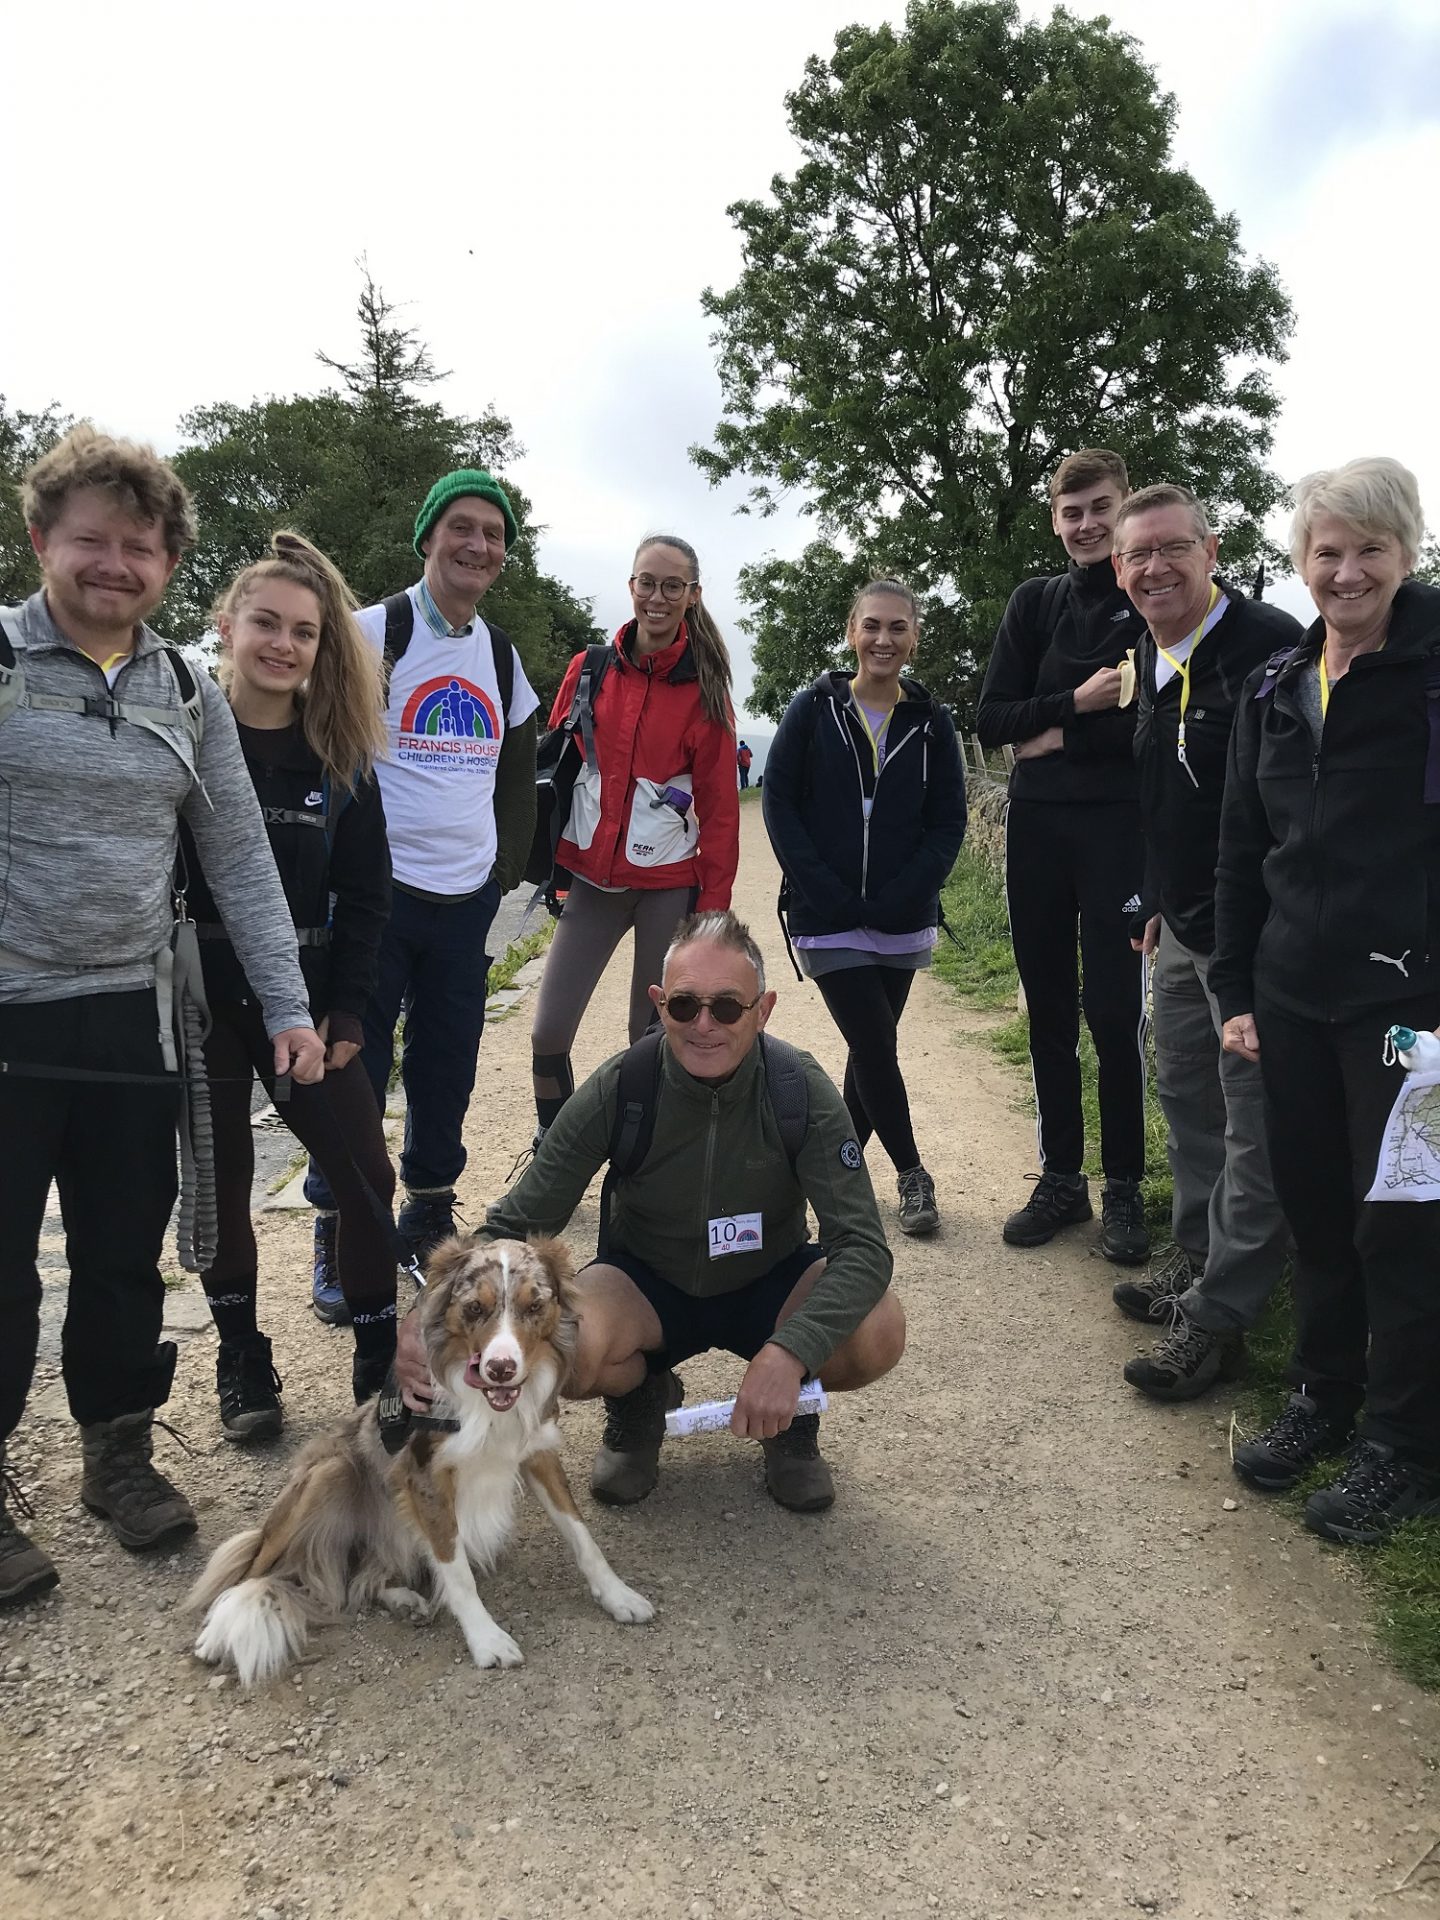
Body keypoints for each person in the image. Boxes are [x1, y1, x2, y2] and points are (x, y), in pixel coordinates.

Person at [0, 427, 323, 1607]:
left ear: (168, 564)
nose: (114, 565)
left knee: (123, 1252)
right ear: (42, 540)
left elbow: (238, 857)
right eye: (90, 539)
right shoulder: (3, 661)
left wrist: (287, 1012)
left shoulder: (185, 690)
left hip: (133, 1017)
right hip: (7, 1019)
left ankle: (117, 1457)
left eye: (139, 547)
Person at [399, 911, 904, 1513]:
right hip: (646, 1288)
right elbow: (516, 1225)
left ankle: (790, 1417)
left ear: (763, 1010)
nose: (705, 1025)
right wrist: (428, 1313)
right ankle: (639, 1403)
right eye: (686, 1007)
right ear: (660, 1004)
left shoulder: (799, 1088)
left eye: (728, 1007)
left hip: (769, 1284)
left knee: (878, 1326)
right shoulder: (624, 1084)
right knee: (565, 1344)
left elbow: (863, 1246)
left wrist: (791, 1351)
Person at [1212, 457, 1440, 1542]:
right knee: (1314, 1208)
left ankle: (1403, 1443)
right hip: (1292, 998)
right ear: (1300, 562)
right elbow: (1242, 846)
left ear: (1408, 553)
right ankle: (1324, 1394)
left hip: (1414, 1013)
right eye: (1326, 553)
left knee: (1402, 1222)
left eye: (1369, 551)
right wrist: (1236, 984)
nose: (1346, 573)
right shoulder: (1274, 687)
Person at [304, 470, 540, 1306]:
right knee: (351, 1070)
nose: (478, 545)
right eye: (462, 528)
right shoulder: (370, 634)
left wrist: (501, 872)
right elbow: (320, 750)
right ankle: (337, 1233)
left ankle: (429, 1223)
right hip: (378, 898)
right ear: (428, 538)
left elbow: (519, 770)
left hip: (463, 898)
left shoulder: (501, 655)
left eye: (493, 534)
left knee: (448, 1065)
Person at [183, 533, 397, 1441]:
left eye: (303, 632)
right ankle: (242, 1356)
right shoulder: (184, 737)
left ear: (320, 647)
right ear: (225, 626)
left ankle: (382, 1364)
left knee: (366, 1179)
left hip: (306, 1007)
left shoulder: (338, 756)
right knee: (224, 1189)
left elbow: (369, 895)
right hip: (199, 998)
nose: (282, 644)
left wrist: (346, 1007)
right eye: (264, 623)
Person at [1106, 487, 1300, 1399]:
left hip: (1255, 930)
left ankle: (1221, 1317)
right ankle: (1197, 1250)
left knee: (1251, 1118)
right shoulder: (1143, 653)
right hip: (1180, 923)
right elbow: (1158, 788)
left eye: (1173, 549)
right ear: (1118, 568)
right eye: (1137, 556)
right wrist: (1152, 893)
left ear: (1212, 549)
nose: (1155, 568)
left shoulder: (1270, 646)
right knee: (1185, 1092)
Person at [977, 449, 1150, 1265]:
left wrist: (1049, 733)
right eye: (1072, 510)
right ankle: (1061, 1178)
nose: (1087, 524)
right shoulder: (1034, 603)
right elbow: (991, 719)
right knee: (1048, 1009)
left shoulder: (1147, 597)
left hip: (1120, 833)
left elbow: (1147, 724)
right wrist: (1079, 705)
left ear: (1124, 510)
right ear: (1055, 518)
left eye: (1101, 508)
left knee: (1115, 1016)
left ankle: (1123, 1188)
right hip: (1039, 832)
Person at [763, 578, 967, 1235]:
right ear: (852, 632)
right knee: (876, 1042)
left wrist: (905, 895)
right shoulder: (812, 709)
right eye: (872, 626)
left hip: (902, 916)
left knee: (868, 1054)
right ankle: (912, 1174)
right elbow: (780, 804)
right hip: (826, 916)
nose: (884, 639)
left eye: (897, 627)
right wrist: (825, 890)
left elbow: (948, 822)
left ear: (914, 636)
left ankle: (823, 1182)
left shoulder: (933, 723)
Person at [528, 536, 740, 1149]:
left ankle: (648, 1163)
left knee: (650, 1038)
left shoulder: (705, 690)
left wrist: (712, 915)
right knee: (547, 1035)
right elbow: (563, 768)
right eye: (647, 582)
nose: (658, 596)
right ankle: (556, 1150)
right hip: (592, 882)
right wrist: (553, 864)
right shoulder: (588, 668)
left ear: (692, 597)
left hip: (667, 887)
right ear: (631, 585)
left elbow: (721, 812)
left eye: (673, 586)